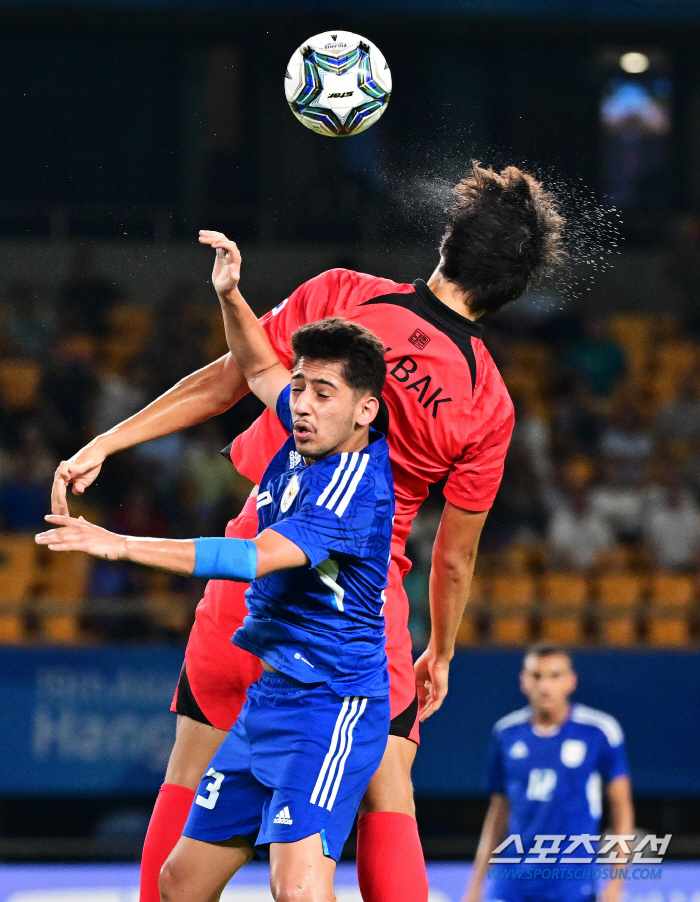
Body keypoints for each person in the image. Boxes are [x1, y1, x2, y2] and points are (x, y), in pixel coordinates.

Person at [51, 163, 565, 902]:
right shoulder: (487, 400)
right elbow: (454, 556)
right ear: (511, 290)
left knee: (188, 780)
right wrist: (440, 651)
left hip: (257, 563)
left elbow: (239, 376)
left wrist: (107, 443)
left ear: (447, 241)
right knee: (388, 796)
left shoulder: (348, 299)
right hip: (362, 606)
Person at [38, 302, 395, 902]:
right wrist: (230, 294)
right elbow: (257, 368)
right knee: (179, 882)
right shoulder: (311, 430)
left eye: (323, 393)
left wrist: (119, 544)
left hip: (331, 708)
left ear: (366, 409)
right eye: (301, 386)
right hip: (271, 699)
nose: (302, 404)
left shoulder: (352, 491)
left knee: (299, 890)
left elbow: (249, 559)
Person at [462, 643, 634, 902]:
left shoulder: (599, 731)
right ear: (523, 681)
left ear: (571, 682)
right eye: (536, 676)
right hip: (512, 884)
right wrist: (476, 884)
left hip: (571, 885)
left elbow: (621, 808)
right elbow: (498, 811)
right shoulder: (506, 733)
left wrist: (616, 884)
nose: (545, 686)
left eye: (555, 676)